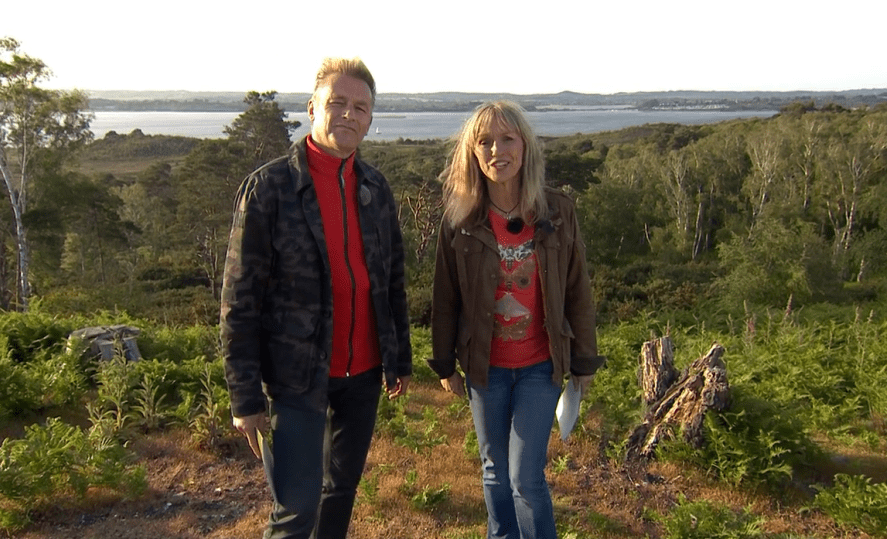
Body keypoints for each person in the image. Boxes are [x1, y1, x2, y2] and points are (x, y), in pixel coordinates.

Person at [220, 57, 413, 539]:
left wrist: (398, 359)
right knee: (297, 508)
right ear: (313, 108)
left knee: (339, 497)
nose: (349, 114)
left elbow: (391, 281)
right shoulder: (270, 188)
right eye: (338, 103)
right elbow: (239, 300)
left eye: (361, 107)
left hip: (363, 375)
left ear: (370, 119)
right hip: (296, 375)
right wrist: (245, 397)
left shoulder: (374, 188)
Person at [428, 101, 604, 539]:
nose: (495, 150)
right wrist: (444, 362)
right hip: (485, 368)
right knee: (494, 472)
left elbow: (578, 290)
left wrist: (583, 362)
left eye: (507, 138)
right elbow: (445, 297)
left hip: (539, 366)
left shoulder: (557, 211)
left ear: (525, 146)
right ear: (472, 152)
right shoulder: (460, 219)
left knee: (526, 477)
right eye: (484, 141)